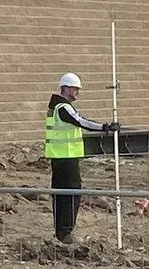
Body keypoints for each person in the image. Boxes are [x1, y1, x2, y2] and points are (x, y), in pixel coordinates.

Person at [44, 72, 116, 243]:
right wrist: (104, 127)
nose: (77, 92)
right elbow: (81, 122)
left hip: (59, 158)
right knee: (71, 195)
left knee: (61, 195)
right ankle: (65, 232)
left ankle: (61, 232)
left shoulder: (55, 107)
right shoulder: (63, 108)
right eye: (75, 89)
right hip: (67, 158)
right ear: (66, 88)